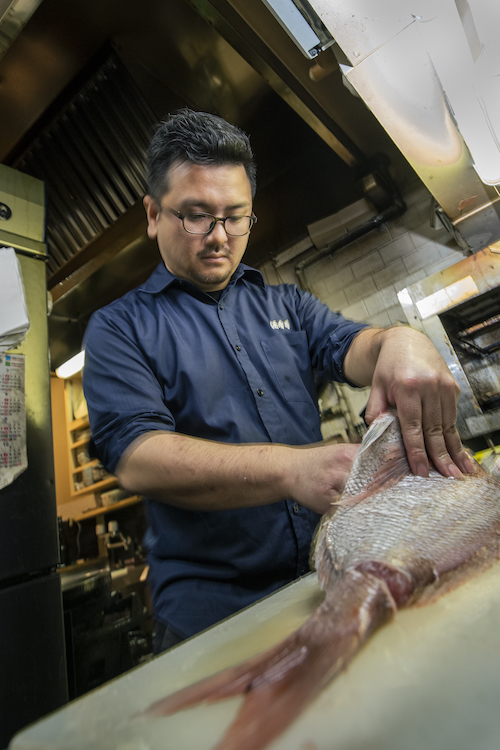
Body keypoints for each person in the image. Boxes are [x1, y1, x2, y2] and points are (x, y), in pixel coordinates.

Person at [82, 109, 473, 654]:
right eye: (196, 216)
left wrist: (402, 342)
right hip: (211, 620)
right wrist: (292, 468)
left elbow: (353, 347)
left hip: (324, 584)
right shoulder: (119, 327)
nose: (219, 238)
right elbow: (138, 456)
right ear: (152, 214)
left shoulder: (285, 303)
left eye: (235, 217)